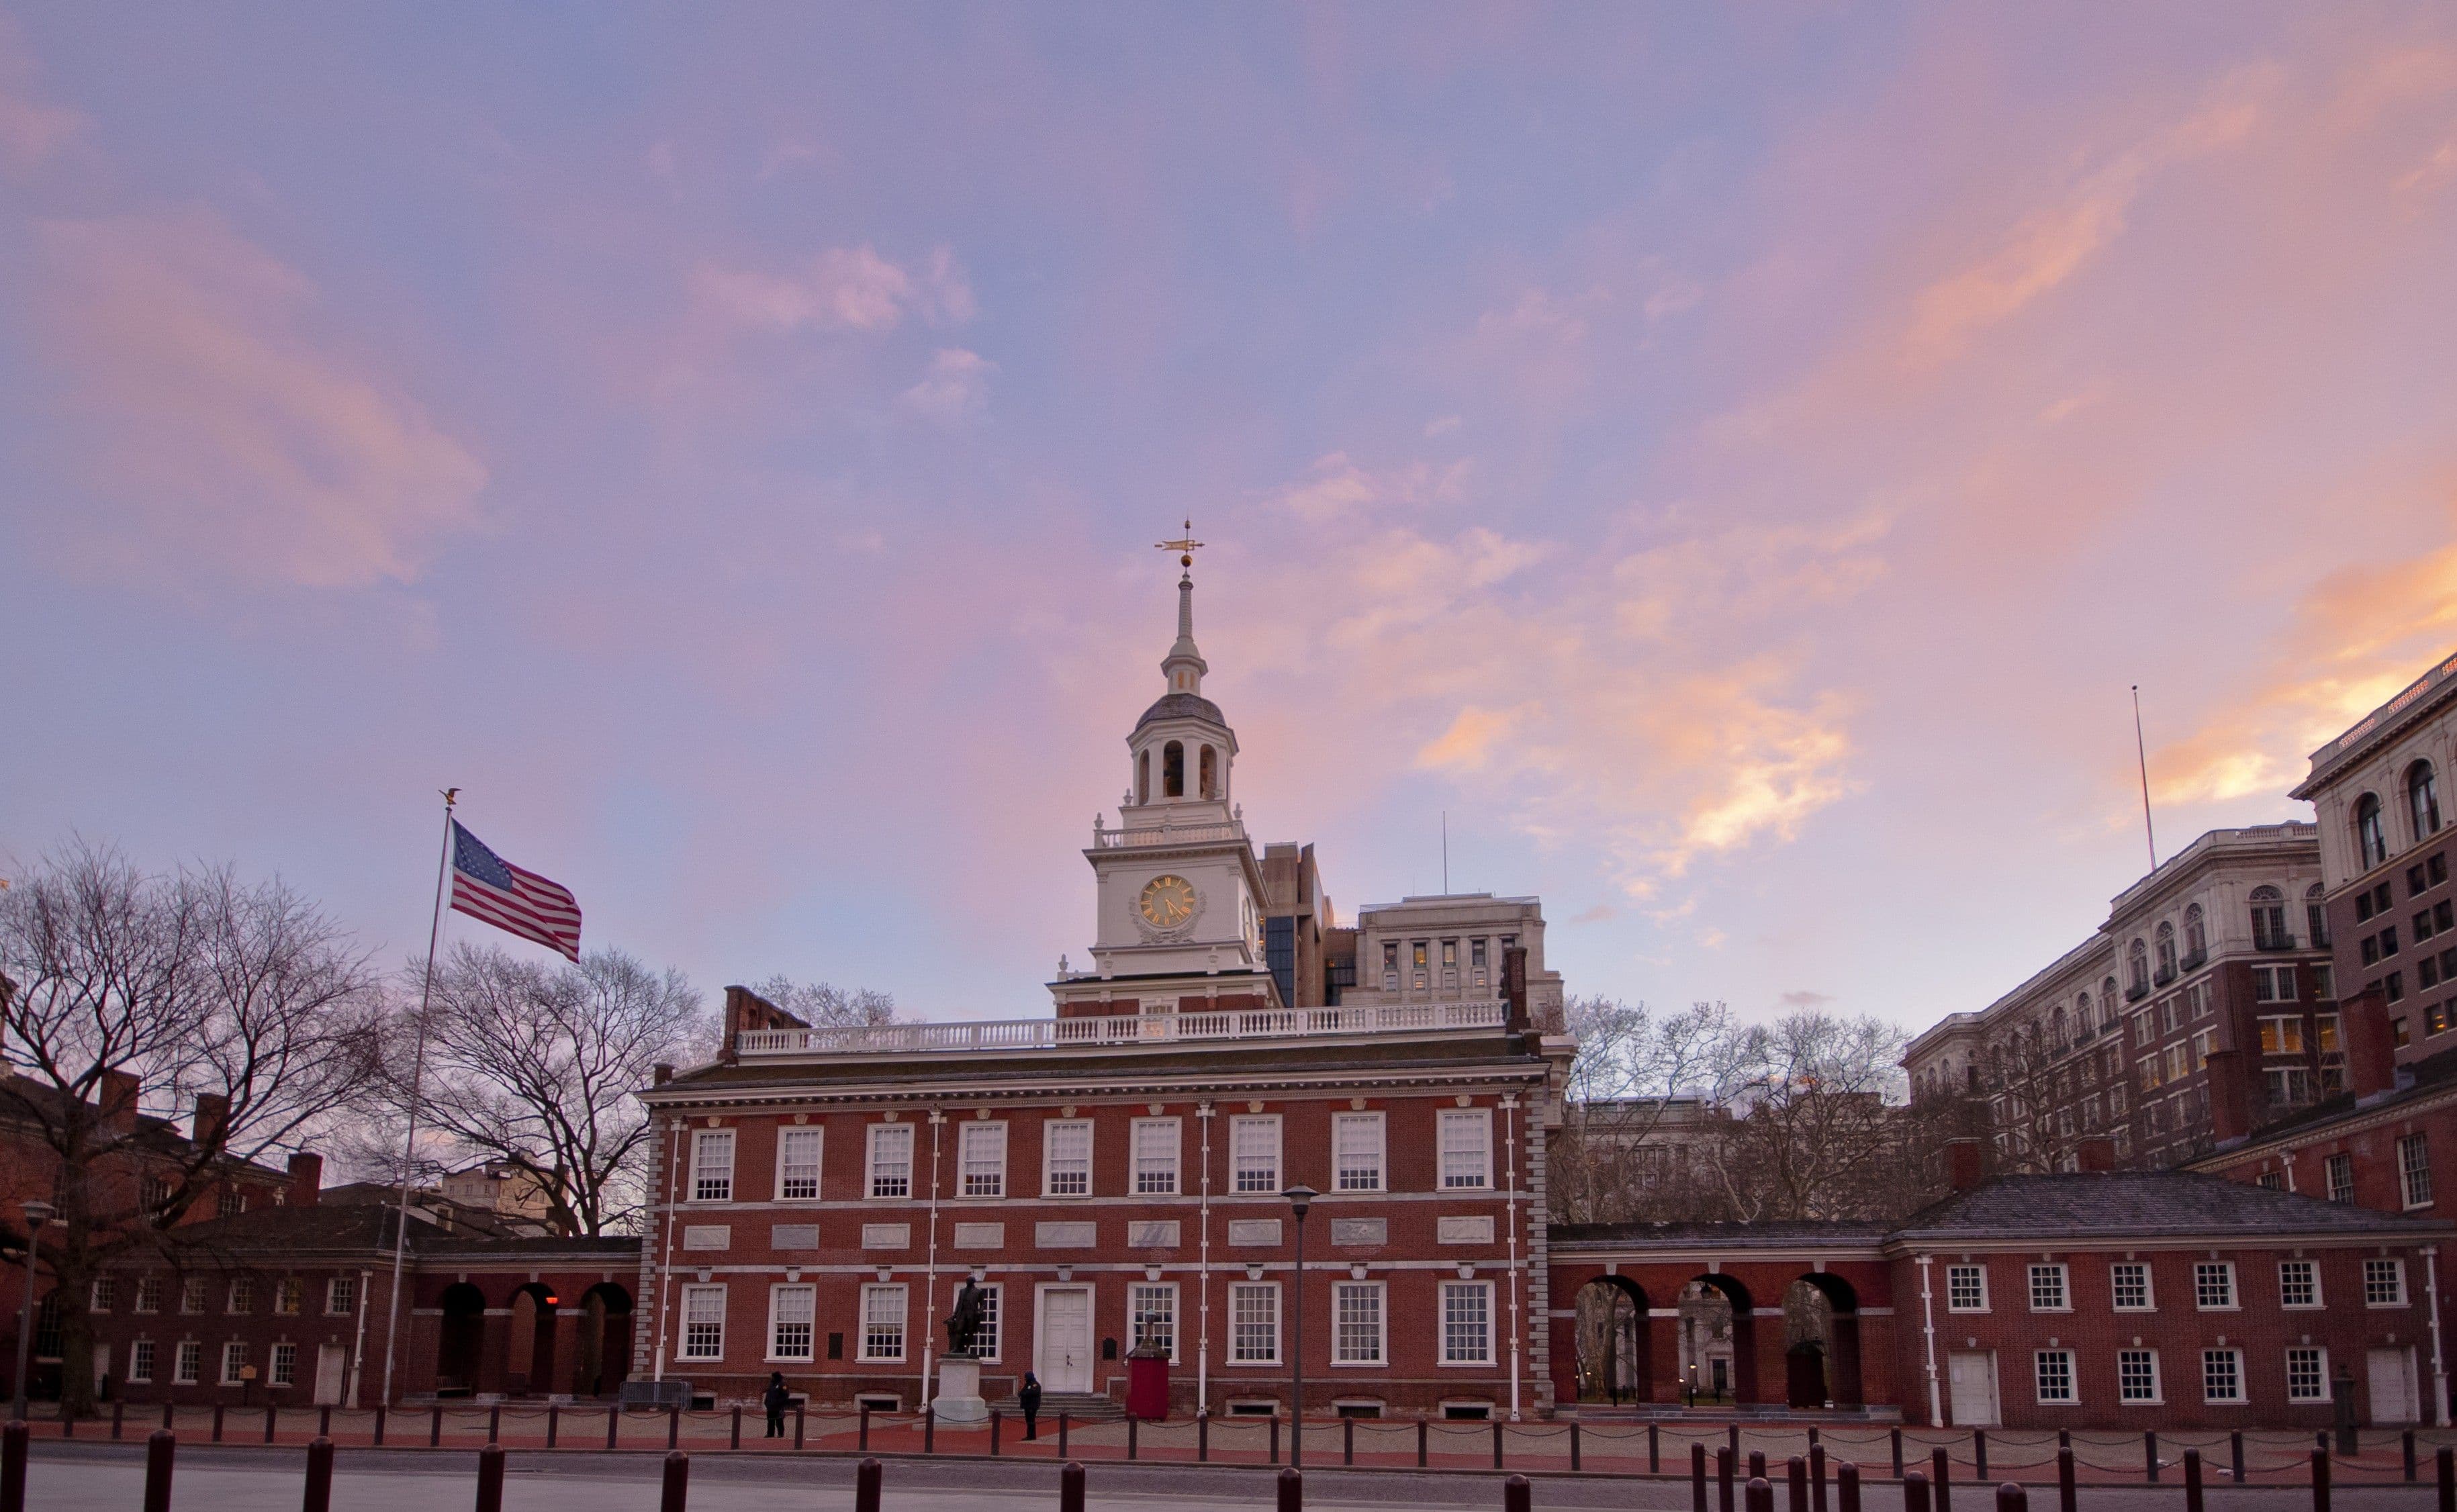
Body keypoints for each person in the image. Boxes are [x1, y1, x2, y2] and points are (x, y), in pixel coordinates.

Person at [763, 1371, 790, 1439]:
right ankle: (770, 1433)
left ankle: (780, 1434)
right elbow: (769, 1393)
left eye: (773, 1377)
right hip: (770, 1406)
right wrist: (766, 1402)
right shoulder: (771, 1384)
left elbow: (785, 1395)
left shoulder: (782, 1384)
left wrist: (780, 1403)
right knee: (770, 1421)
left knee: (779, 1421)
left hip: (778, 1406)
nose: (772, 1378)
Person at [1018, 1370, 1042, 1441]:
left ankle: (1031, 1436)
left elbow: (1031, 1393)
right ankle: (1030, 1435)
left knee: (1031, 1421)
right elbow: (1023, 1391)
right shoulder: (1028, 1384)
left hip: (1032, 1406)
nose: (1025, 1379)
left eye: (1026, 1377)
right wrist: (1021, 1393)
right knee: (1028, 1421)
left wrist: (1024, 1394)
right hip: (1027, 1406)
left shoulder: (1035, 1384)